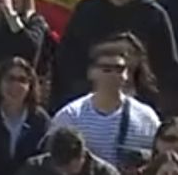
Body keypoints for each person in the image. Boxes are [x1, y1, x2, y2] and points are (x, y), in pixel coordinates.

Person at [56, 0, 178, 107]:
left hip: (140, 100)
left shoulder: (153, 13)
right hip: (89, 98)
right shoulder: (86, 11)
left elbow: (167, 66)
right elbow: (67, 58)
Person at [53, 40, 163, 168]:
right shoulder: (70, 117)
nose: (114, 75)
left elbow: (158, 160)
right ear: (91, 73)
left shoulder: (146, 117)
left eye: (119, 69)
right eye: (107, 69)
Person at [22, 128, 124, 175]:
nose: (64, 173)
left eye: (69, 168)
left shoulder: (105, 173)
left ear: (82, 156)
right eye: (60, 168)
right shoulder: (34, 169)